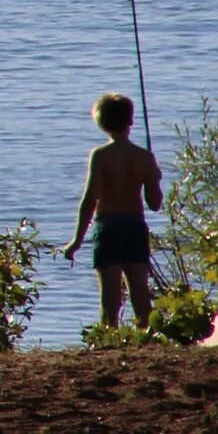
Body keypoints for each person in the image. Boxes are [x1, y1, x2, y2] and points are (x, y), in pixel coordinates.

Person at [62, 92, 163, 329]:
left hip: (108, 227)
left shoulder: (100, 156)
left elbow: (90, 200)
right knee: (140, 294)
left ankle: (109, 340)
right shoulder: (144, 157)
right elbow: (155, 204)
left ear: (101, 123)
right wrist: (155, 179)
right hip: (135, 227)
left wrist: (76, 240)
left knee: (110, 299)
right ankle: (147, 339)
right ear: (131, 121)